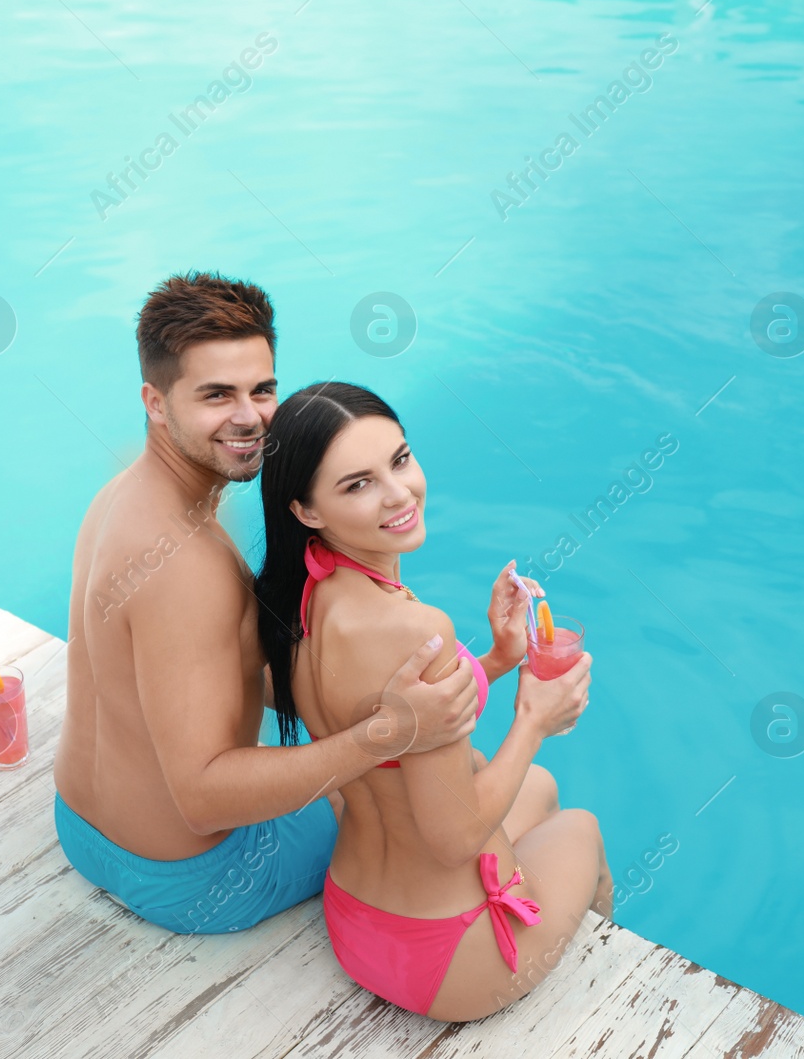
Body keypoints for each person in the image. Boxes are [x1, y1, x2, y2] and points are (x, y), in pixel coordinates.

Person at [53, 272, 482, 935]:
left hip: (81, 826)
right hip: (200, 878)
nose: (250, 416)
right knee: (425, 811)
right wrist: (388, 732)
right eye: (216, 394)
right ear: (155, 400)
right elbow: (202, 796)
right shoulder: (187, 569)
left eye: (262, 388)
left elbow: (190, 677)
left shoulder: (121, 498)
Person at [254, 380, 611, 1022]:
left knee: (543, 789)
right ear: (306, 509)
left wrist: (497, 660)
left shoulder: (304, 598)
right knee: (581, 826)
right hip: (449, 957)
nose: (399, 494)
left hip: (357, 917)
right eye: (357, 484)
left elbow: (392, 725)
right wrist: (534, 718)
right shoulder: (417, 629)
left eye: (399, 459)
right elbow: (453, 838)